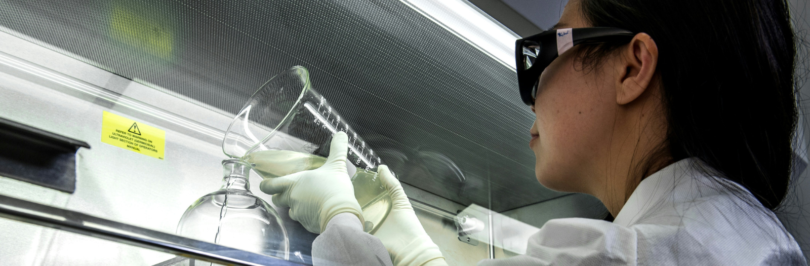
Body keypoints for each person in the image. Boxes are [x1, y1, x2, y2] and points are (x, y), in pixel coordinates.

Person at [259, 0, 808, 265]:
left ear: (631, 68)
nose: (535, 90)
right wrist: (415, 251)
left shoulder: (622, 253)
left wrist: (340, 221)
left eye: (545, 51)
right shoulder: (746, 237)